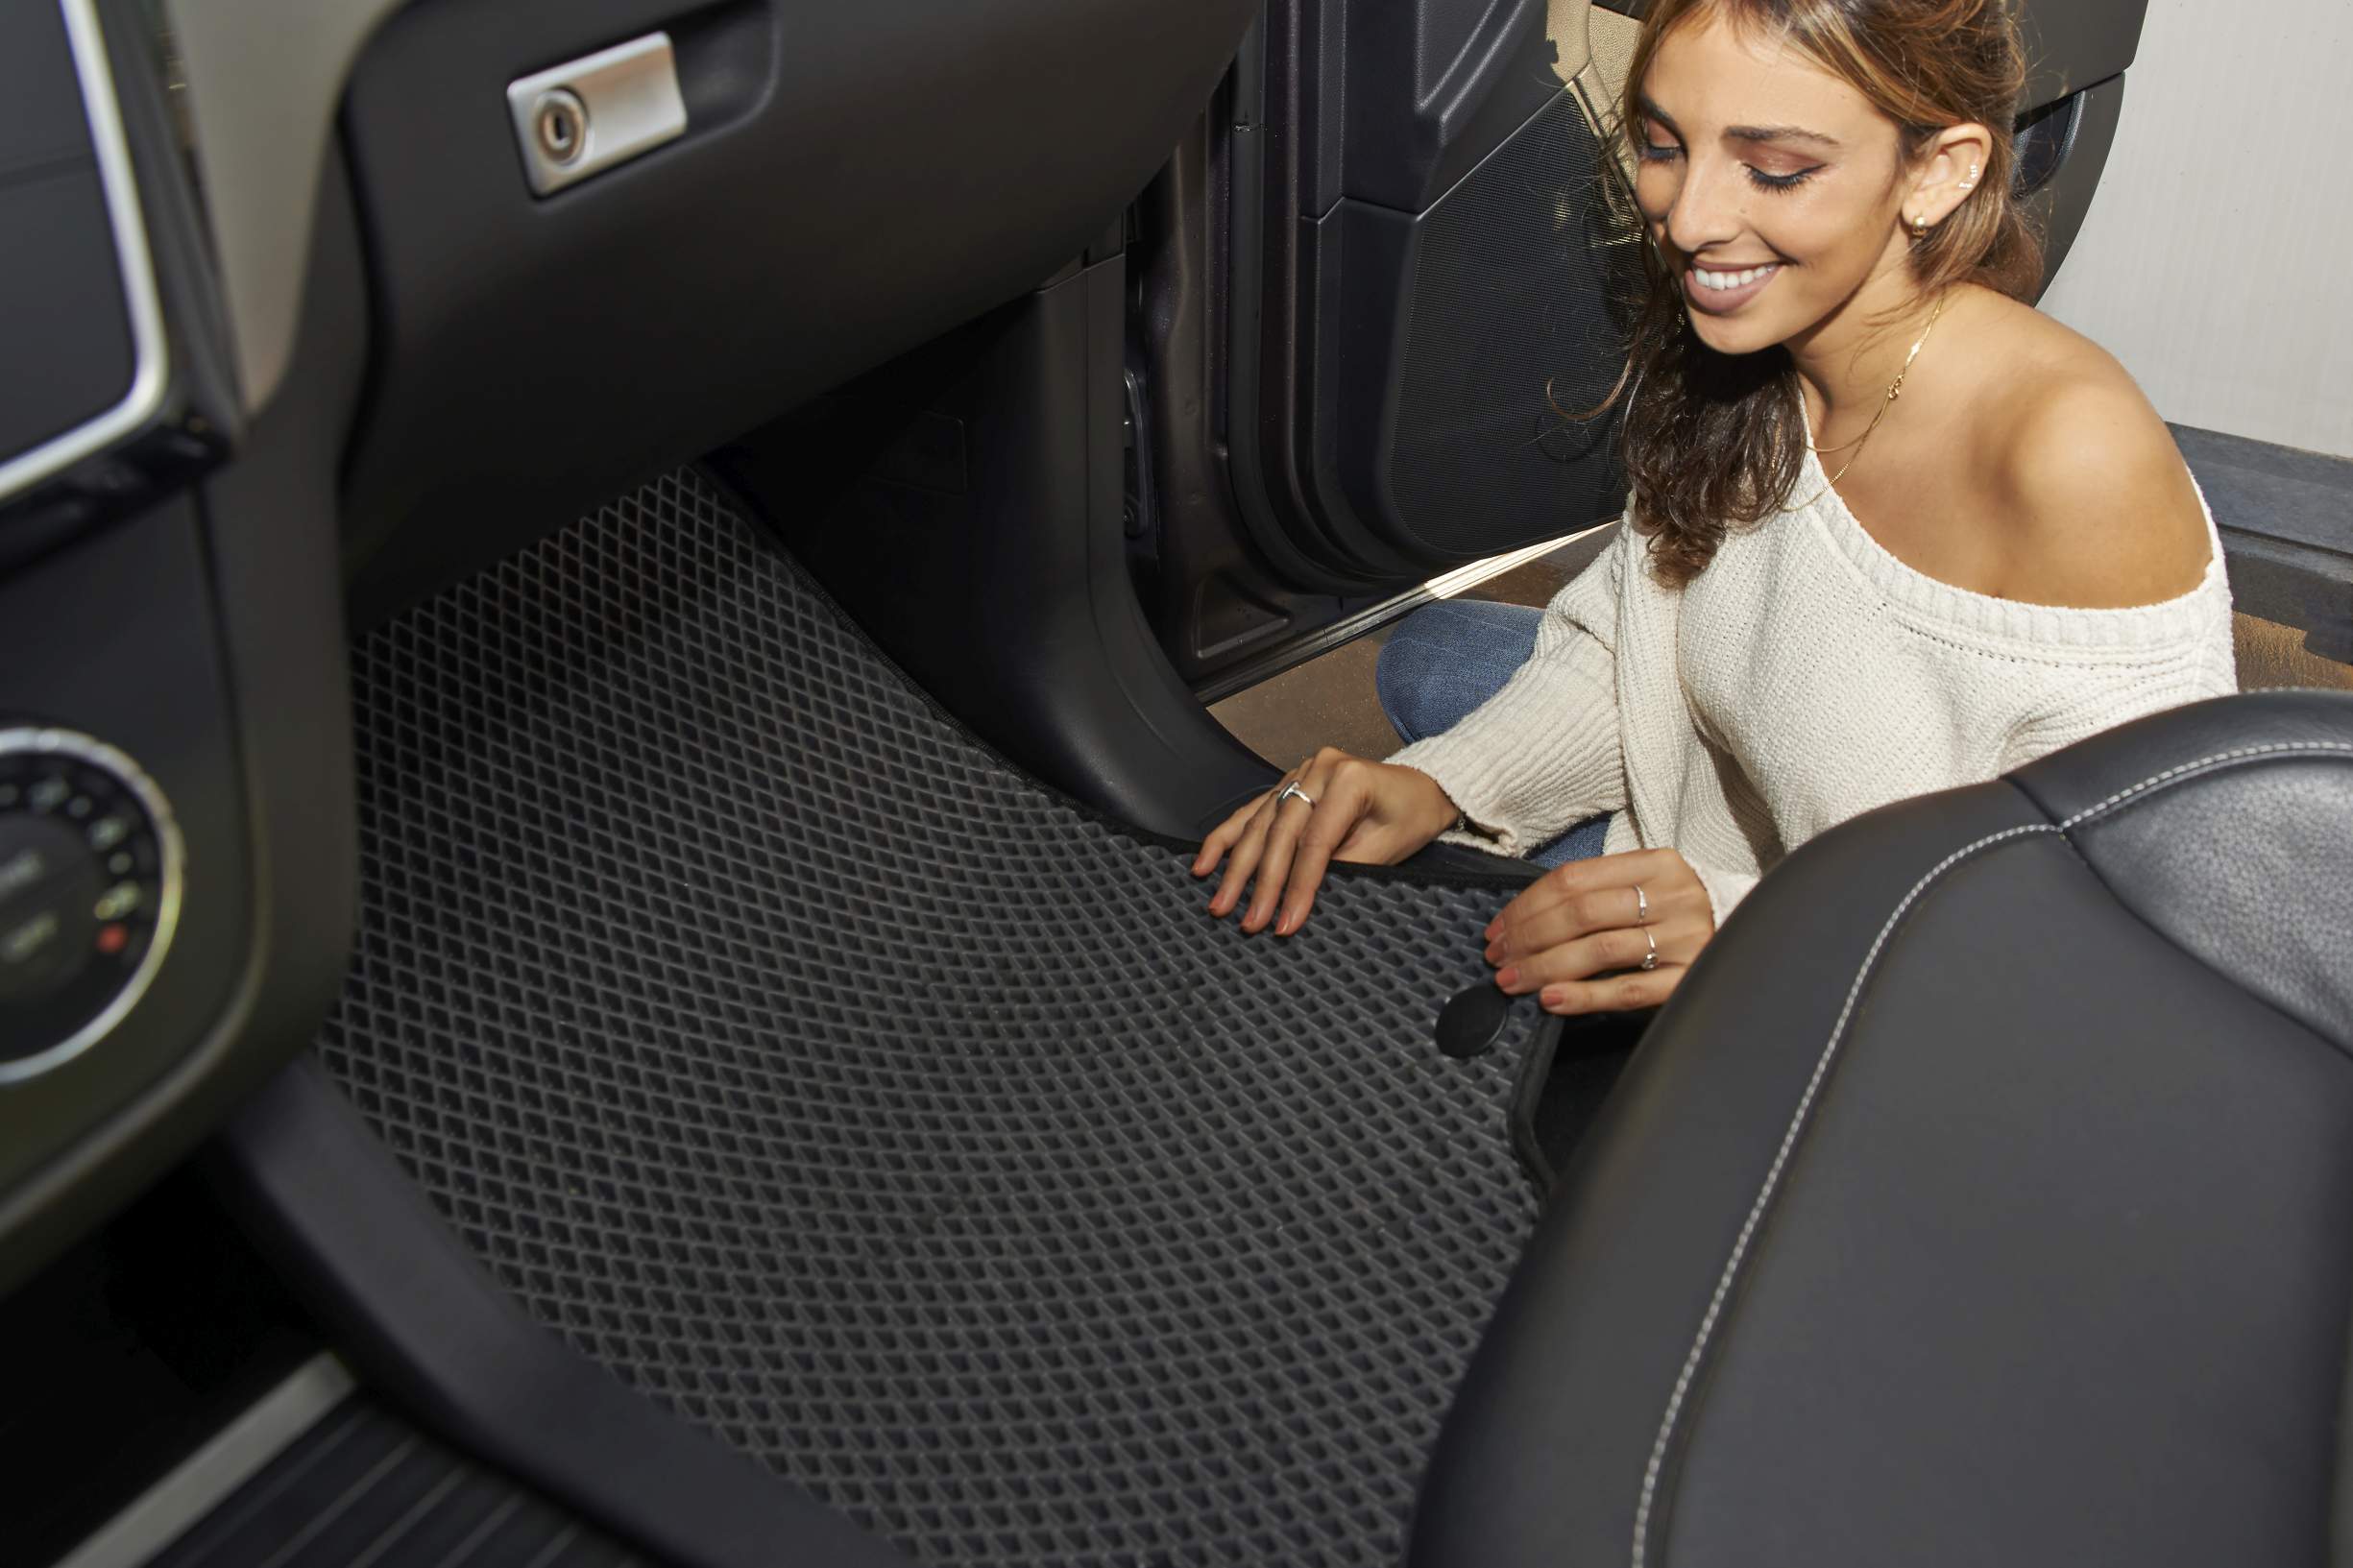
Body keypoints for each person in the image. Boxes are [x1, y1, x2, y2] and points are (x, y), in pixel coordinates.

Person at [1192, 0, 2236, 1017]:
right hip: (1724, 816)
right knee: (1423, 660)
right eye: (1661, 145)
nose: (1687, 222)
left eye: (1774, 168)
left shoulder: (2073, 459)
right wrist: (1445, 783)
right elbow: (1640, 643)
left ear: (1938, 171)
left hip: (1885, 965)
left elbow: (2127, 927)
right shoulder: (1761, 338)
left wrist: (1748, 929)